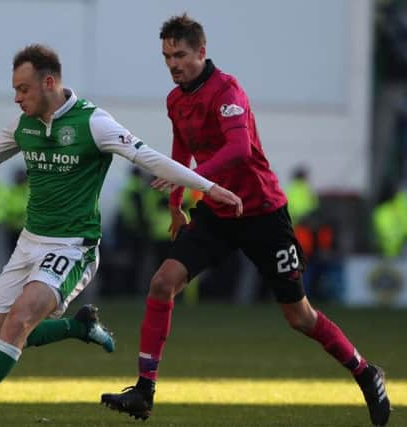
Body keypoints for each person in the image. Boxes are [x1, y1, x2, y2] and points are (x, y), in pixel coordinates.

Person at [0, 44, 242, 427]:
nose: (17, 97)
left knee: (21, 318)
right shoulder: (22, 126)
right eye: (15, 89)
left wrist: (207, 187)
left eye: (23, 89)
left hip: (73, 246)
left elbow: (148, 156)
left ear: (49, 82)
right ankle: (78, 327)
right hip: (29, 243)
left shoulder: (93, 123)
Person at [100, 14, 391, 427]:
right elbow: (181, 152)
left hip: (262, 215)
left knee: (299, 316)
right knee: (163, 282)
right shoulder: (176, 100)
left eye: (180, 55)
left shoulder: (227, 90)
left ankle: (365, 372)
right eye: (167, 56)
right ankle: (144, 391)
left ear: (202, 51)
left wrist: (193, 180)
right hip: (218, 212)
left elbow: (238, 148)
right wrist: (176, 204)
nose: (173, 64)